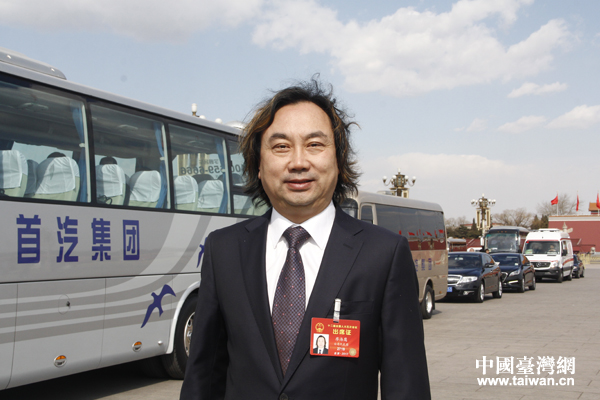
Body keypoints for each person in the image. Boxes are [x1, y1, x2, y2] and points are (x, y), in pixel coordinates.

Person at [180, 78, 430, 400]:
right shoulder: (224, 250)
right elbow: (204, 375)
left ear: (338, 161)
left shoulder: (383, 254)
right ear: (258, 165)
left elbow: (406, 384)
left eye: (314, 144)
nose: (298, 162)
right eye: (281, 147)